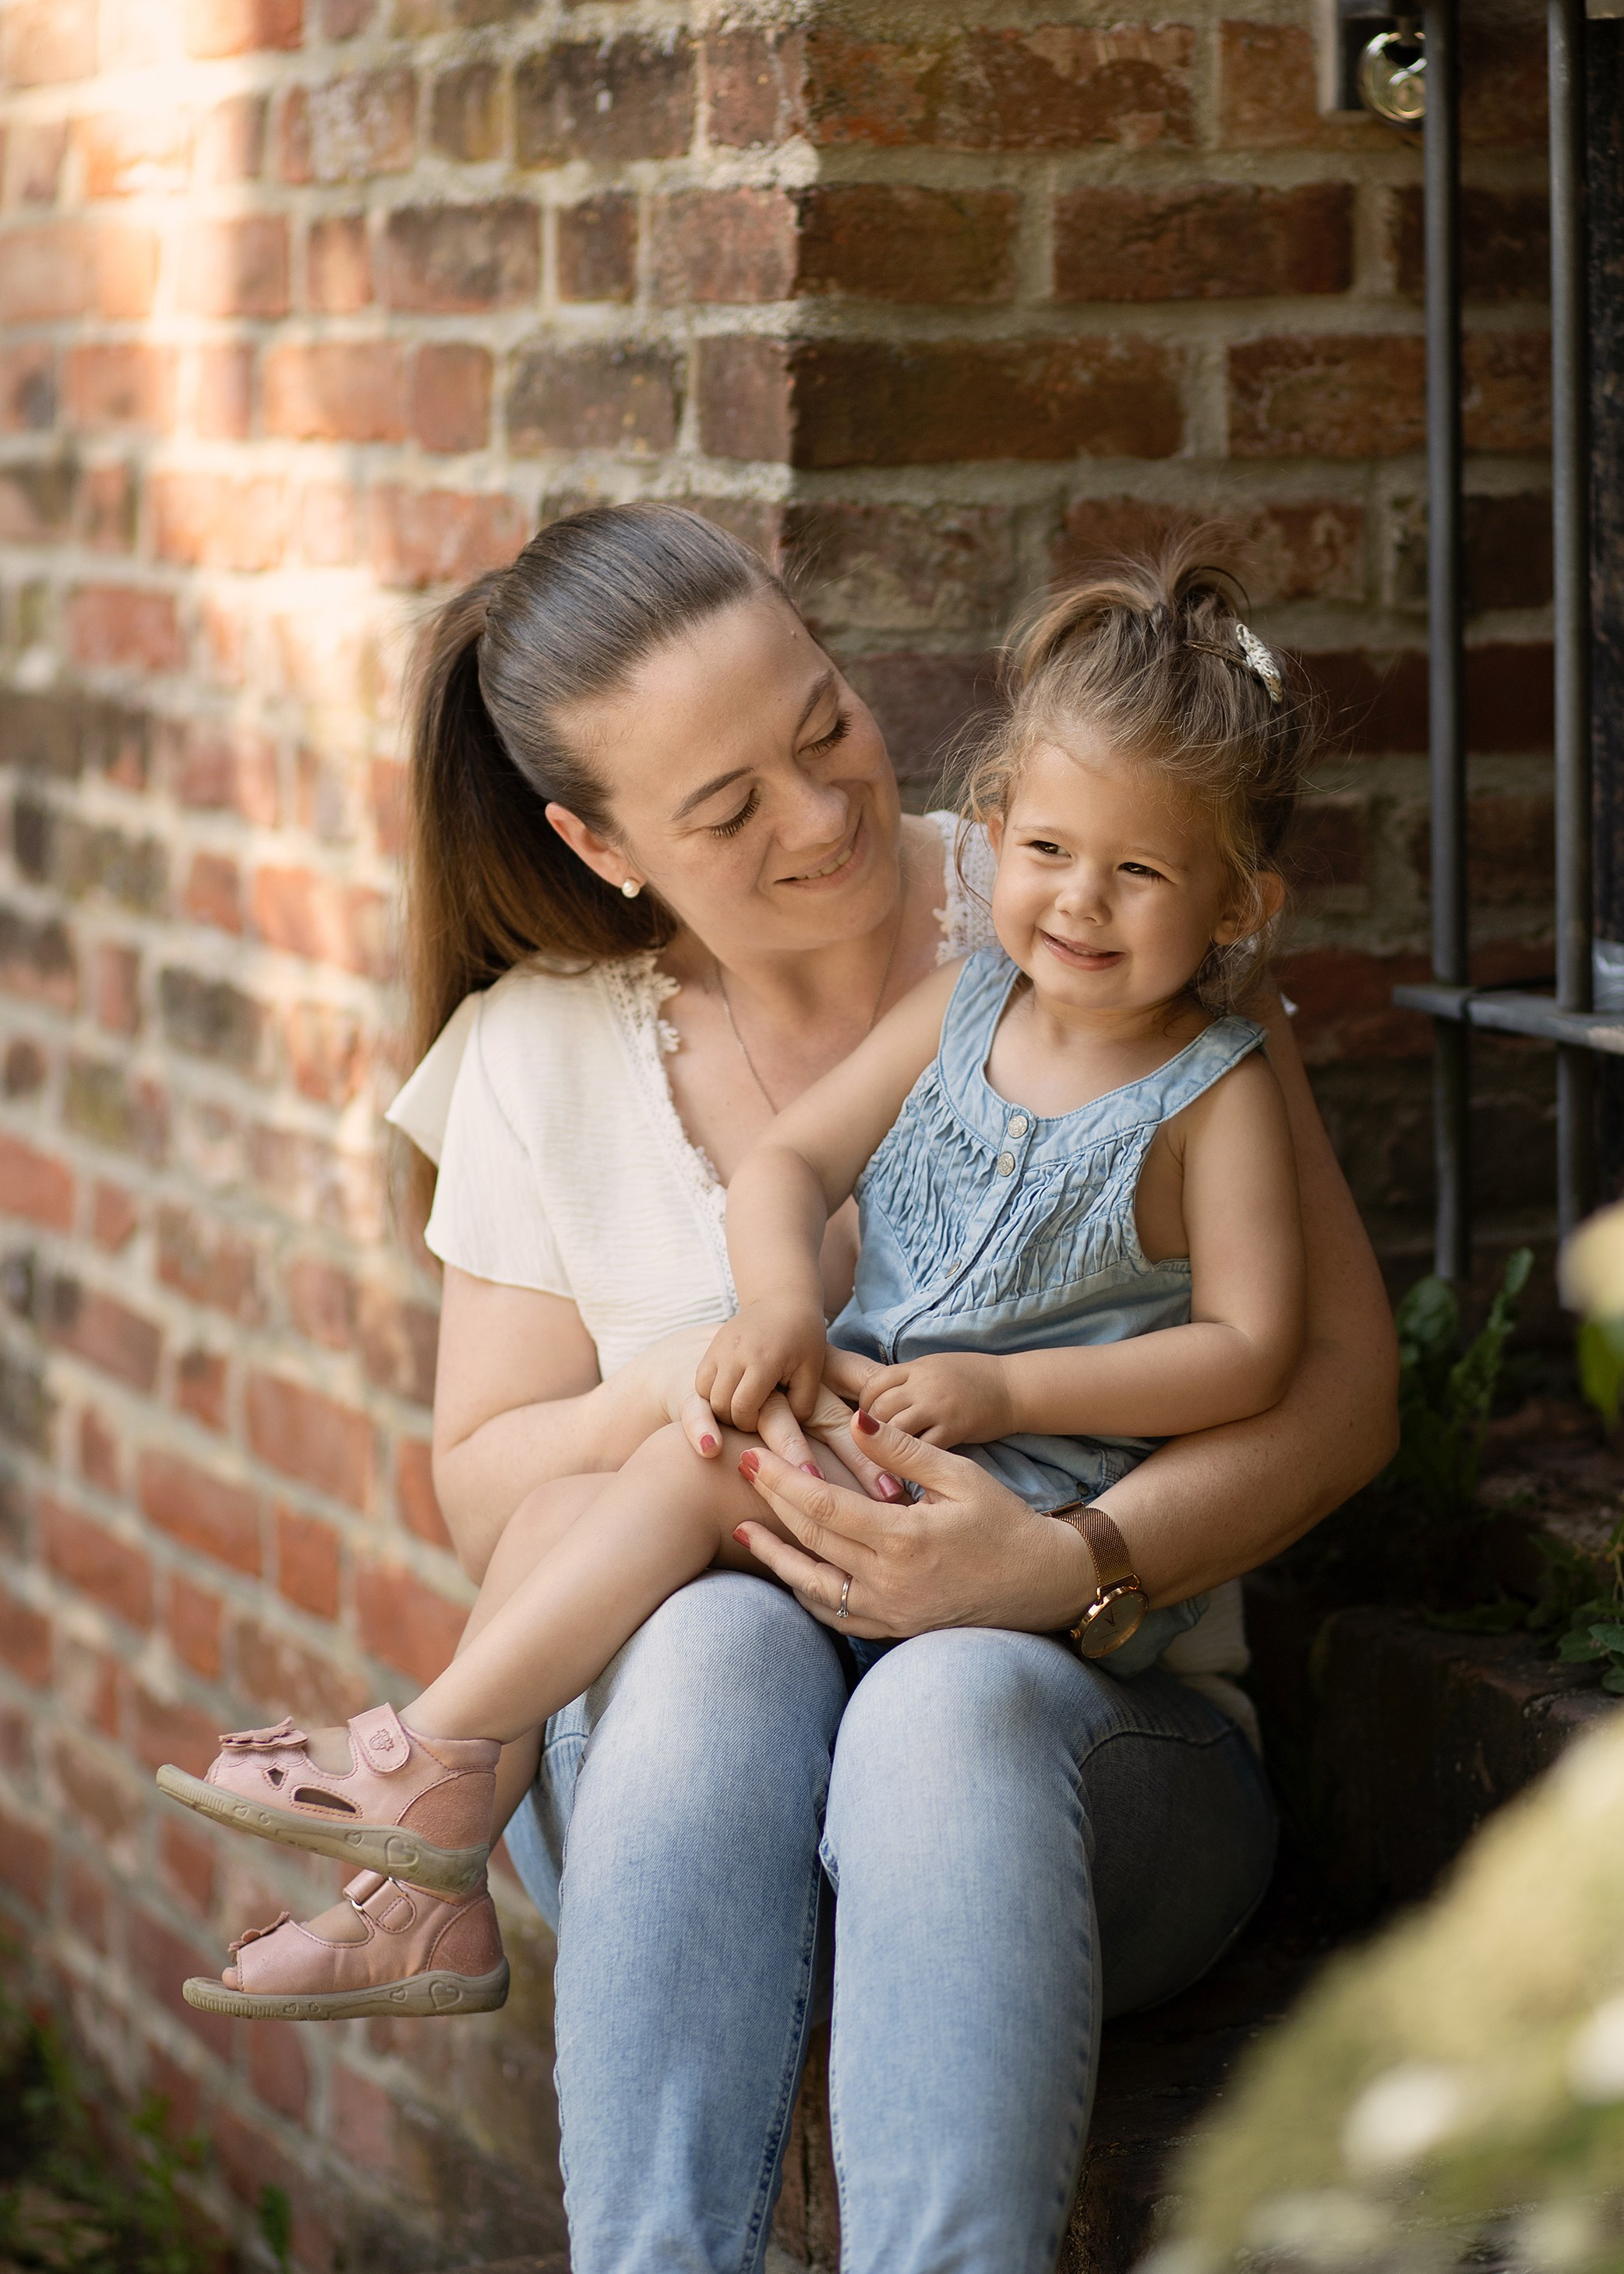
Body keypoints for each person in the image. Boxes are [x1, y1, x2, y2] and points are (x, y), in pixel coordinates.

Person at [157, 504, 1396, 2271]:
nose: (821, 817)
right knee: (716, 1641)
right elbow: (488, 1481)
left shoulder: (1080, 884)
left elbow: (1335, 1396)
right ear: (600, 843)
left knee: (942, 1703)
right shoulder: (538, 1054)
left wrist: (1062, 1567)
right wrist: (712, 1390)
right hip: (692, 1805)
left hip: (1071, 1770)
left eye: (824, 727)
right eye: (727, 810)